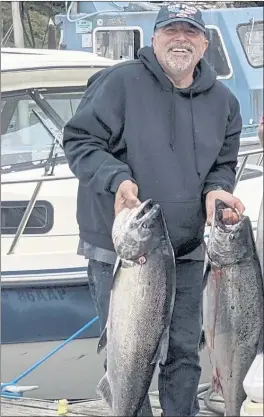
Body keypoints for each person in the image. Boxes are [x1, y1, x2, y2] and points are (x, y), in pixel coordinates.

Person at [62, 3, 245, 416]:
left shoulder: (225, 102)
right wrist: (118, 180)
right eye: (171, 30)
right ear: (155, 37)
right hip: (127, 250)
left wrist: (217, 192)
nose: (180, 38)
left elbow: (223, 165)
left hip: (184, 246)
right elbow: (79, 141)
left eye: (190, 32)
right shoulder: (119, 83)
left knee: (183, 351)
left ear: (204, 43)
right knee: (129, 355)